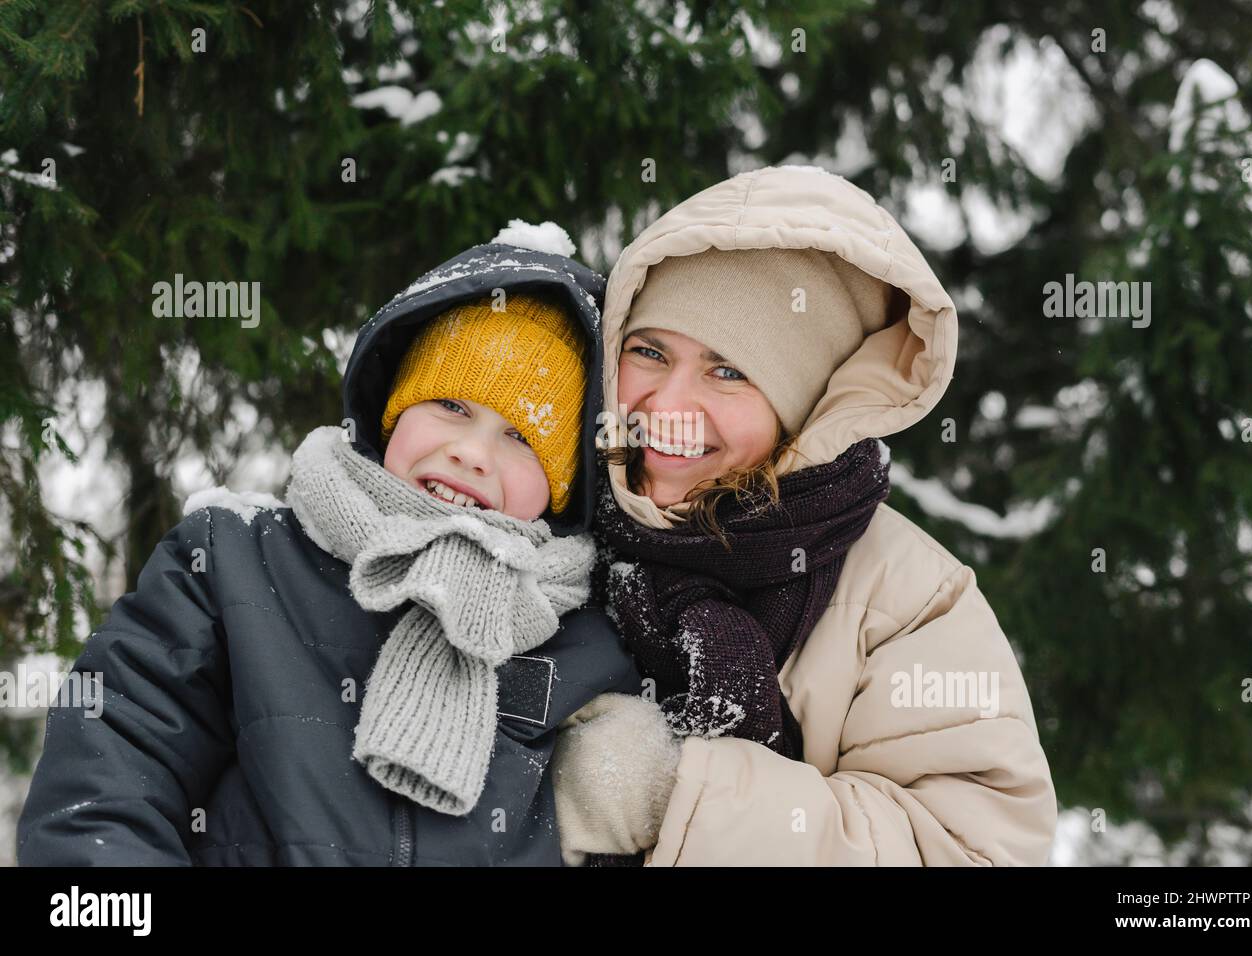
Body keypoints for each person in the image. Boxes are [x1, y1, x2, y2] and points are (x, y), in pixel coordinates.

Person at [17, 238, 641, 866]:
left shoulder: (581, 641)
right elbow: (110, 778)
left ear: (565, 482)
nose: (472, 453)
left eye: (521, 436)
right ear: (394, 408)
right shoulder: (235, 562)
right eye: (451, 405)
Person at [551, 165, 1058, 866]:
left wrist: (673, 796)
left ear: (803, 409)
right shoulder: (544, 515)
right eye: (649, 351)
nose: (665, 406)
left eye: (727, 371)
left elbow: (971, 851)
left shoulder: (910, 600)